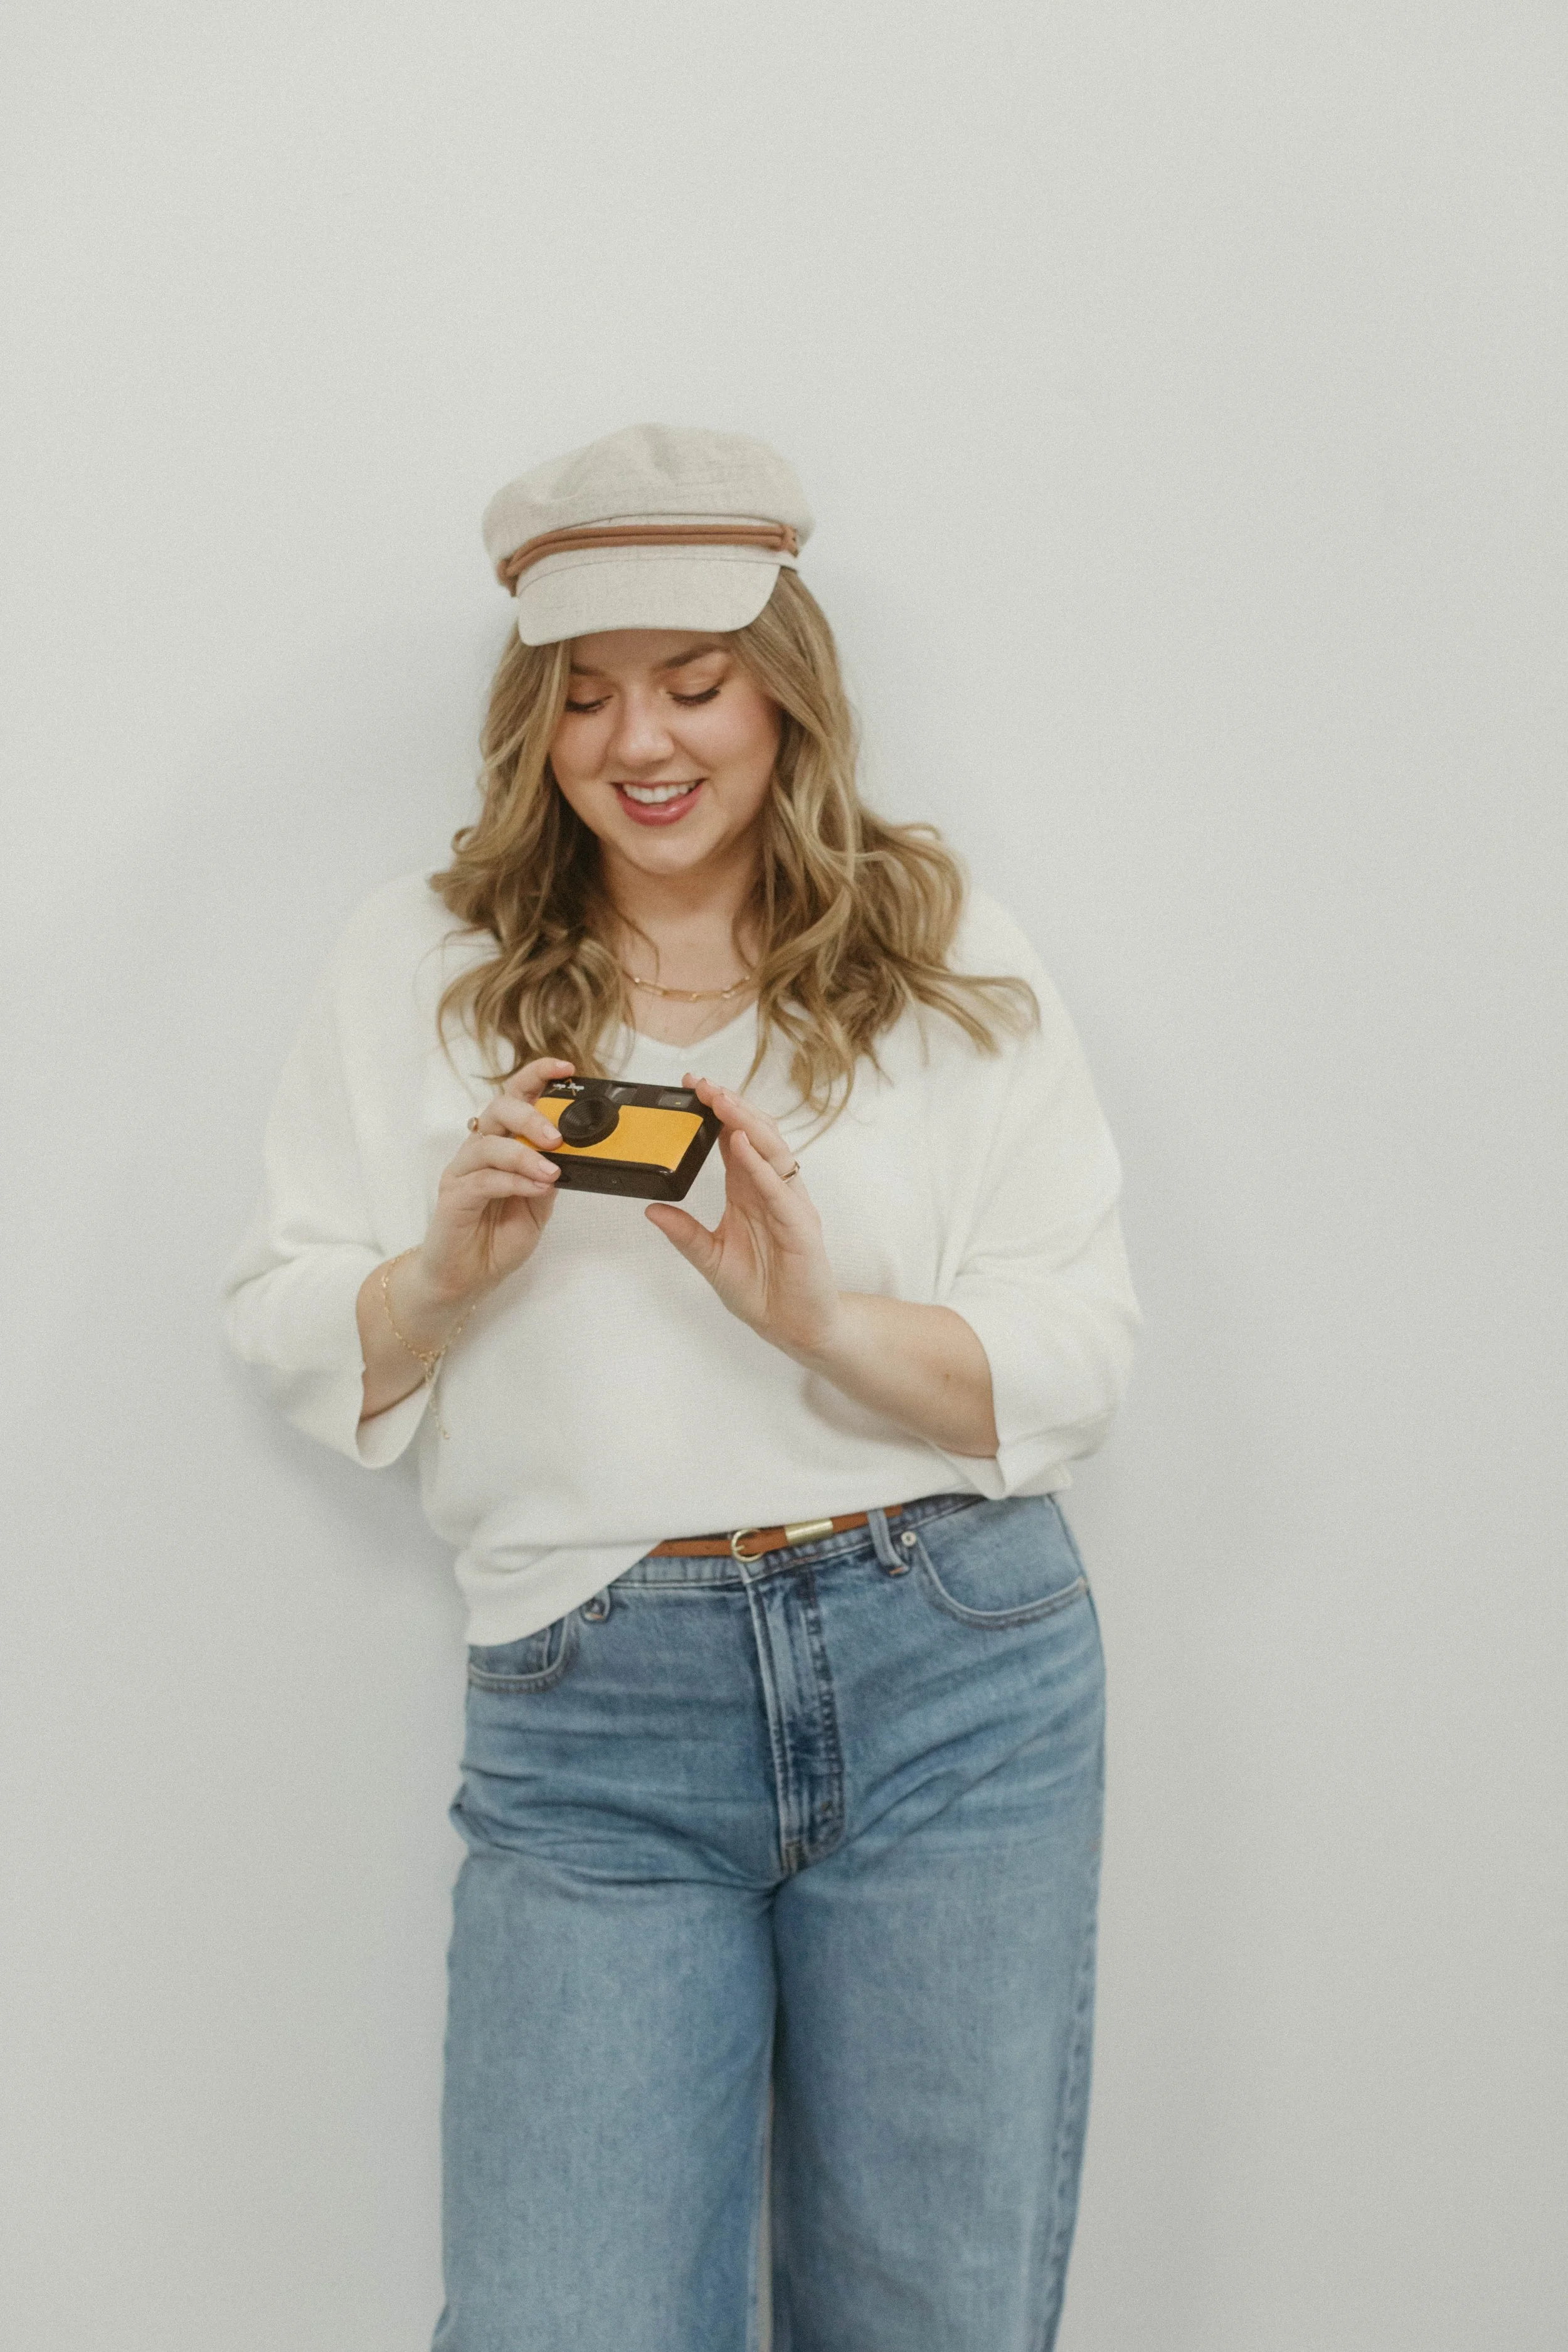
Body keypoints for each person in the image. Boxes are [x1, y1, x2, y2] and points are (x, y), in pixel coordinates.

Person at [220, 422, 1141, 2352]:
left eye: (694, 684)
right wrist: (448, 1275)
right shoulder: (428, 963)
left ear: (783, 696)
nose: (639, 742)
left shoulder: (939, 950)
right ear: (532, 725)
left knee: (935, 2317)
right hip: (593, 1711)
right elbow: (289, 1318)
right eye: (583, 697)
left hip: (953, 1670)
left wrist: (815, 1323)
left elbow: (1075, 1352)